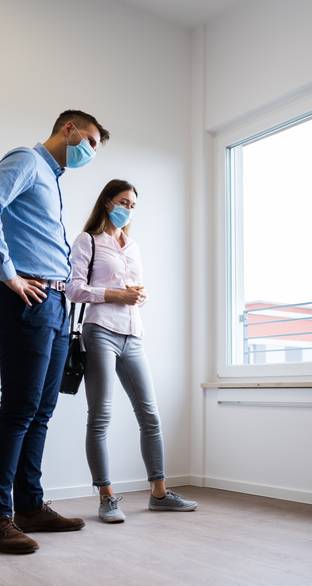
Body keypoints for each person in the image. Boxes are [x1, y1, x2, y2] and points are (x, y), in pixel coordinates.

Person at [0, 109, 110, 554]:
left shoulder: (52, 179)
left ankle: (30, 506)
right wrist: (7, 273)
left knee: (42, 410)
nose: (88, 151)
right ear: (68, 129)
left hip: (53, 303)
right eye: (87, 140)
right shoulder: (28, 162)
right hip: (24, 298)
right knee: (19, 409)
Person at [67, 179, 198, 523]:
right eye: (124, 201)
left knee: (150, 416)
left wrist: (140, 295)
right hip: (100, 333)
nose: (128, 209)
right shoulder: (89, 241)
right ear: (108, 201)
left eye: (133, 205)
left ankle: (159, 493)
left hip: (133, 333)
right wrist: (115, 295)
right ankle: (107, 497)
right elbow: (74, 289)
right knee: (100, 417)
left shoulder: (132, 246)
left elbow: (134, 288)